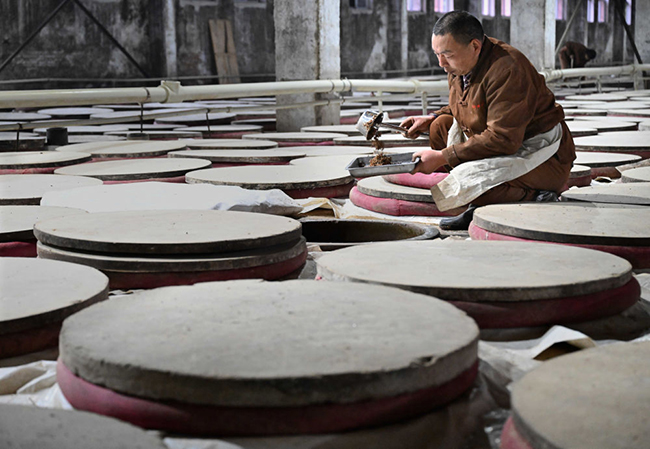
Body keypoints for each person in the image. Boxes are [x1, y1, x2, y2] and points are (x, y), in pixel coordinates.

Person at [401, 11, 575, 230]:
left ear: (475, 46)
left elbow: (503, 139)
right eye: (437, 54)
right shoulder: (460, 64)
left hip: (540, 155)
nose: (441, 63)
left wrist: (442, 156)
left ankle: (536, 194)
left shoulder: (508, 69)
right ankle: (482, 197)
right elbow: (464, 103)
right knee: (440, 127)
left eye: (447, 54)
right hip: (503, 144)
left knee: (475, 183)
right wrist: (430, 118)